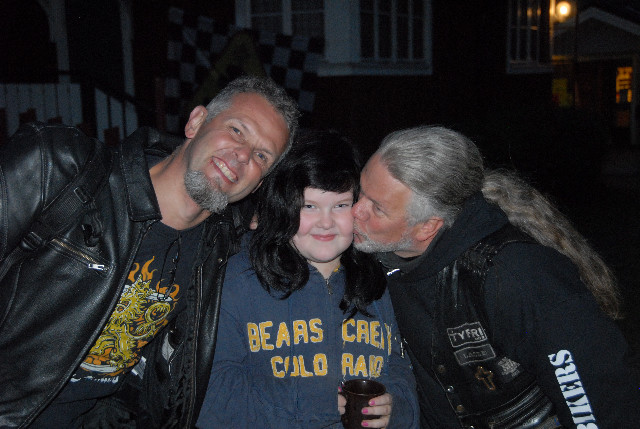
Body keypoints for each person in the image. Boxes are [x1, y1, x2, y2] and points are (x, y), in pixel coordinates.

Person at [0, 76, 299, 428]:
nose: (242, 156)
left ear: (260, 182)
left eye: (262, 155)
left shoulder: (225, 246)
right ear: (196, 122)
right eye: (236, 130)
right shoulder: (60, 167)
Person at [351, 125, 640, 428]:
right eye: (360, 192)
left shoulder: (516, 276)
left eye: (377, 208)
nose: (355, 210)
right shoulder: (372, 261)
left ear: (427, 227)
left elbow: (599, 400)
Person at [196, 130, 420, 429]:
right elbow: (212, 397)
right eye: (309, 206)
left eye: (340, 205)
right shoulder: (240, 279)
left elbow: (399, 366)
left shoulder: (377, 279)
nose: (326, 222)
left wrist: (398, 408)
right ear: (283, 206)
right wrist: (312, 405)